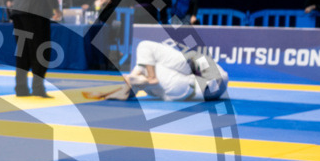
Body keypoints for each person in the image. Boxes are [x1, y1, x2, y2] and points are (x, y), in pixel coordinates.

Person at [85, 40, 229, 101]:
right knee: (144, 49)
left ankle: (137, 77)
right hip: (206, 87)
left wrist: (104, 94)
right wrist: (105, 94)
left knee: (144, 50)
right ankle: (138, 77)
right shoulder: (153, 63)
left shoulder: (150, 66)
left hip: (188, 89)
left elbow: (129, 91)